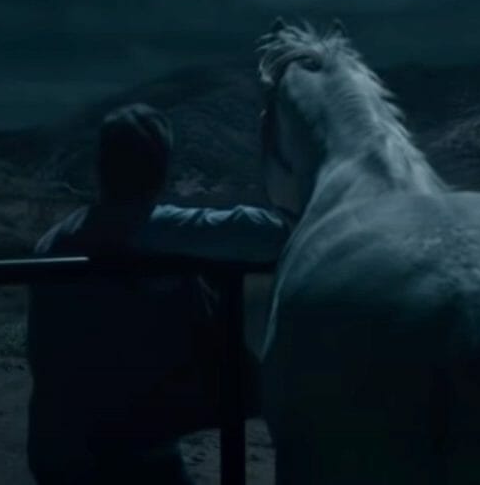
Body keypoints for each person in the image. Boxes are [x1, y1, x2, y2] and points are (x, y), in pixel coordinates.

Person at [25, 103, 293, 485]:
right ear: (159, 170)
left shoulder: (54, 241)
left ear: (101, 167)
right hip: (129, 453)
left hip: (55, 449)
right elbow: (265, 234)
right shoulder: (151, 230)